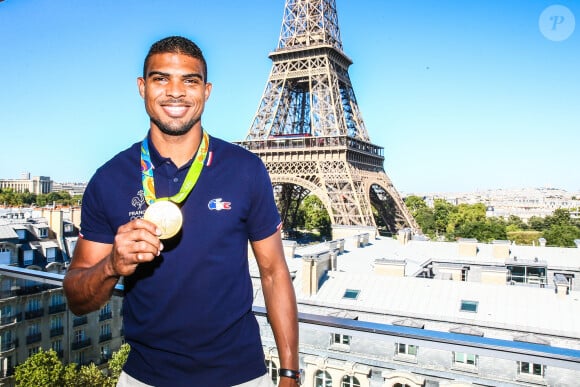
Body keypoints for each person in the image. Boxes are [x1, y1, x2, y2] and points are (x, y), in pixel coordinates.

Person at [63, 36, 300, 387]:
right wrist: (112, 264)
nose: (176, 92)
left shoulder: (246, 170)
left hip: (240, 377)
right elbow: (77, 299)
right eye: (161, 79)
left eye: (189, 80)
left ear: (206, 91)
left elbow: (274, 272)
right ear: (142, 87)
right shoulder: (108, 179)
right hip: (145, 377)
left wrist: (290, 373)